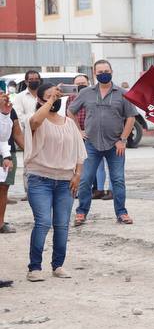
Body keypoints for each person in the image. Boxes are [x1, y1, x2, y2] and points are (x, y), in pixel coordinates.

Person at [23, 83, 84, 281]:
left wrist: (77, 174)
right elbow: (34, 122)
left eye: (57, 96)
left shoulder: (69, 123)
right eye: (49, 96)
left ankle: (58, 265)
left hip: (65, 181)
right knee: (43, 223)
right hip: (39, 179)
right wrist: (50, 101)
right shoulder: (35, 120)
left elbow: (79, 152)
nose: (55, 99)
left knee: (62, 224)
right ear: (40, 100)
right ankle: (34, 268)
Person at [69, 60, 136, 227]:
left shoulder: (122, 93)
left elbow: (131, 117)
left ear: (112, 71)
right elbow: (71, 111)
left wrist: (123, 140)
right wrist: (79, 131)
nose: (103, 73)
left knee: (118, 180)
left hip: (115, 146)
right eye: (100, 72)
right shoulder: (86, 93)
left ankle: (121, 213)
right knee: (85, 180)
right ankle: (81, 212)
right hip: (91, 144)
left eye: (106, 70)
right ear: (94, 73)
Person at [70, 74, 109, 199]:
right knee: (79, 164)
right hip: (77, 135)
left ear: (88, 83)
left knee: (98, 165)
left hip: (94, 135)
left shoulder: (95, 96)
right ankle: (79, 190)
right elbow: (69, 114)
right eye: (78, 84)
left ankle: (98, 189)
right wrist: (79, 131)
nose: (81, 86)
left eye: (83, 83)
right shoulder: (71, 98)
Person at [0, 91, 19, 234]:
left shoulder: (5, 112)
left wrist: (5, 114)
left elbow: (3, 137)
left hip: (3, 154)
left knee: (3, 188)